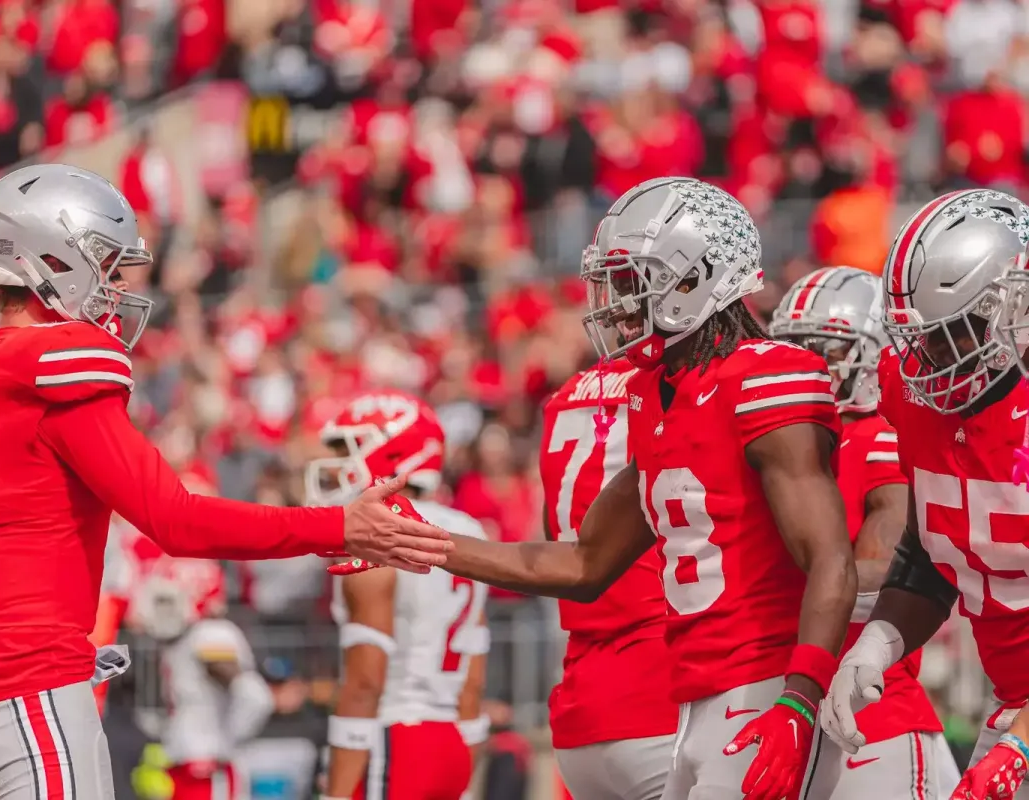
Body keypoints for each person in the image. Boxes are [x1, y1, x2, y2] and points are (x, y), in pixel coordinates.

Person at [0, 163, 454, 800]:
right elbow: (176, 520)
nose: (113, 287)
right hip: (25, 690)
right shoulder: (54, 365)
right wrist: (338, 525)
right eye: (102, 265)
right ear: (50, 256)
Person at [406, 178, 858, 800]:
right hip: (694, 704)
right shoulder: (654, 395)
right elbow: (583, 562)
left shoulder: (765, 376)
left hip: (766, 686)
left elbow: (830, 558)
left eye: (631, 280)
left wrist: (801, 699)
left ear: (696, 280)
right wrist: (423, 541)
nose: (616, 303)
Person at [819, 188, 1029, 800]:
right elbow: (936, 541)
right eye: (921, 337)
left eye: (953, 334)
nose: (929, 361)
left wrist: (1019, 746)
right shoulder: (911, 392)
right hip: (1013, 707)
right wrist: (878, 644)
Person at [770, 266, 958, 798]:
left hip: (873, 715)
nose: (807, 365)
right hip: (791, 702)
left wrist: (774, 580)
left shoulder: (879, 438)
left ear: (875, 353)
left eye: (823, 349)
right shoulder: (786, 446)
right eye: (793, 348)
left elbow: (888, 571)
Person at [307, 391, 490, 800]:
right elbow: (473, 676)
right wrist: (462, 755)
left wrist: (335, 793)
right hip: (449, 744)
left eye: (349, 451)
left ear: (396, 458)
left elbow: (366, 682)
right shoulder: (468, 530)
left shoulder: (375, 536)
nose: (337, 468)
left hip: (392, 740)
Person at [538, 356, 677, 800]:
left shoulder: (565, 395)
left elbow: (557, 542)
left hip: (581, 705)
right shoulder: (672, 386)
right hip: (663, 691)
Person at [135, 571, 273, 800]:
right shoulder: (179, 641)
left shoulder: (209, 635)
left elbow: (256, 697)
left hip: (207, 768)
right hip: (181, 762)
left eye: (168, 603)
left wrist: (225, 743)